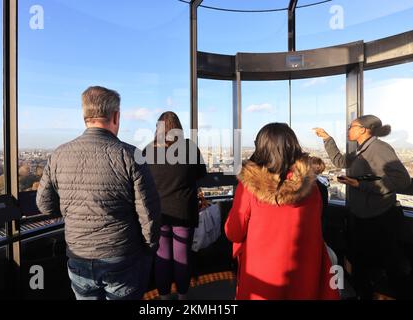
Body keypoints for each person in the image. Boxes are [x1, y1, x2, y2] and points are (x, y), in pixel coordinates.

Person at [36, 86, 161, 300]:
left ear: (85, 116)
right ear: (116, 116)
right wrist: (149, 247)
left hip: (78, 254)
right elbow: (148, 213)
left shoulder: (59, 154)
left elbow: (44, 204)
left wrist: (73, 210)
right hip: (120, 253)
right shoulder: (130, 155)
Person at [225, 123, 340, 300]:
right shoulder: (311, 187)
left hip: (262, 274)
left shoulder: (249, 186)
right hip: (304, 270)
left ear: (261, 148)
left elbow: (234, 232)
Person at [314, 115, 411, 299]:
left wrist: (360, 184)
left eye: (352, 126)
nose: (348, 129)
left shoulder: (379, 149)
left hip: (378, 219)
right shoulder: (362, 149)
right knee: (364, 265)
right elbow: (341, 162)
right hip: (364, 217)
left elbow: (402, 180)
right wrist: (327, 139)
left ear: (364, 129)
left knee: (380, 268)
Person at [142, 111, 207, 300]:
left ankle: (163, 298)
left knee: (162, 257)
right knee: (182, 257)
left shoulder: (148, 150)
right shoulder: (190, 148)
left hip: (158, 213)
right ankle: (182, 297)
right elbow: (201, 174)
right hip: (184, 211)